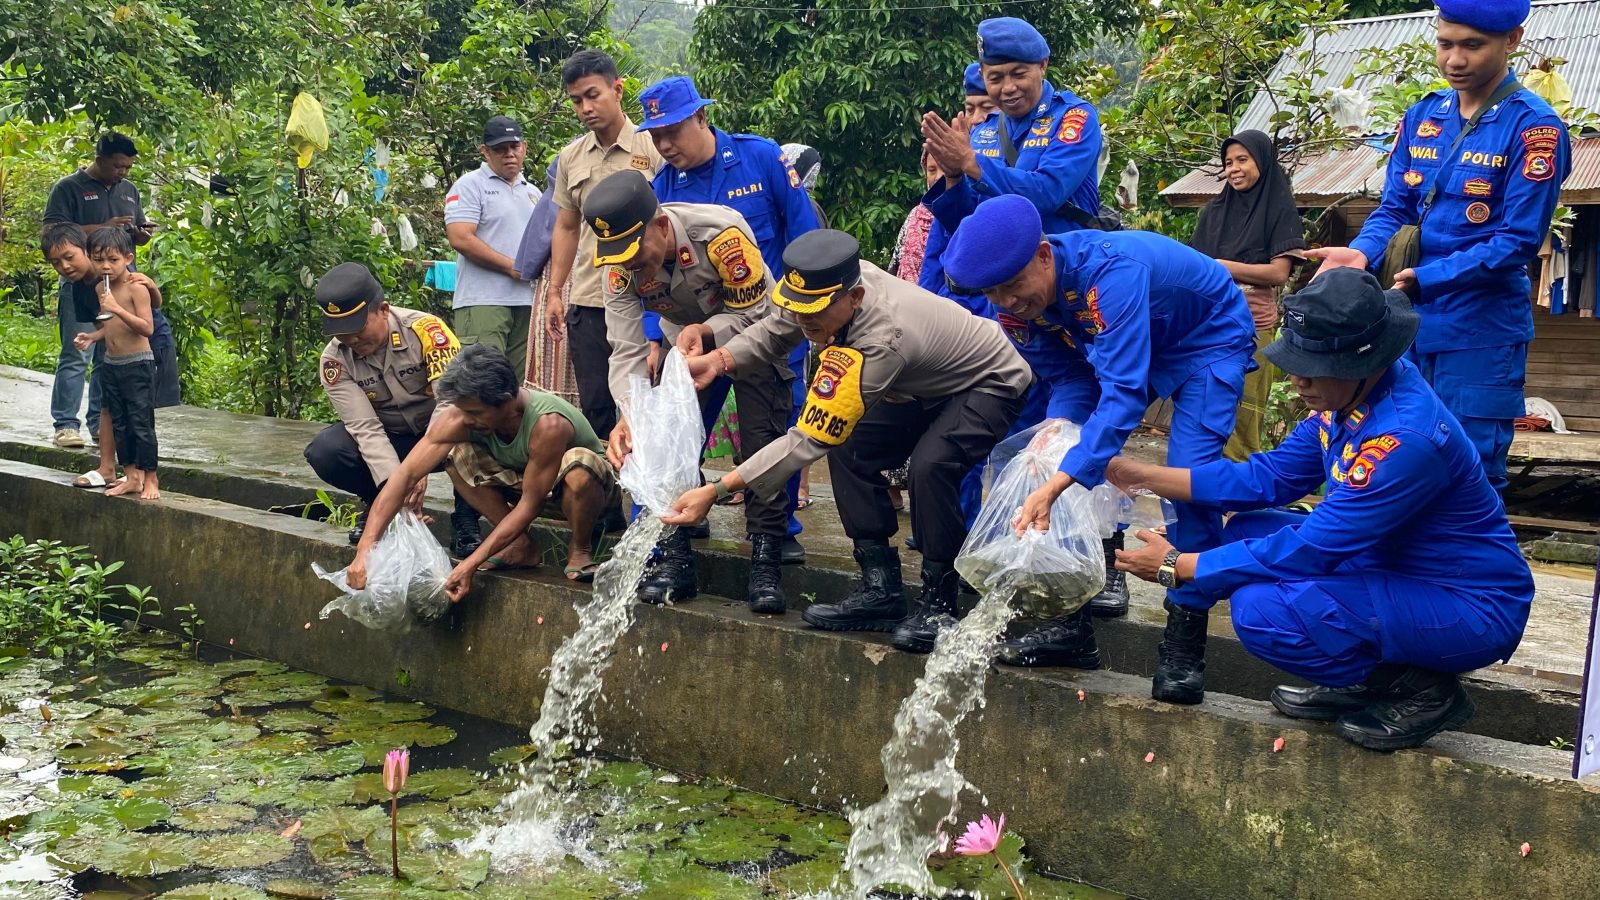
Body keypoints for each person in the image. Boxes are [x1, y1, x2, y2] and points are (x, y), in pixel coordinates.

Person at [1107, 269, 1533, 750]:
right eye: (1295, 363)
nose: (1297, 380)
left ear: (1358, 362)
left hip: (1465, 603)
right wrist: (1139, 474)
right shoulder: (1354, 394)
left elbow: (1312, 547)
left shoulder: (1404, 439)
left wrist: (1173, 566)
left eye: (1311, 368)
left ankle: (1419, 691)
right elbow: (1266, 478)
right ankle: (1360, 682)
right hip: (1392, 564)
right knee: (1244, 530)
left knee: (1261, 611)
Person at [943, 194, 1255, 704]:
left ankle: (1183, 647)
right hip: (1122, 350)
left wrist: (1066, 475)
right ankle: (1072, 629)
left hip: (1205, 339)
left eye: (1014, 285)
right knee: (1059, 451)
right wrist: (1061, 432)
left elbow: (1124, 390)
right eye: (993, 292)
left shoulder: (1109, 276)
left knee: (1187, 478)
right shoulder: (1017, 310)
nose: (1006, 301)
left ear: (1044, 255)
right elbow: (1069, 376)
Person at [663, 229, 1033, 654]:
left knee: (932, 465)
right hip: (924, 384)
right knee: (851, 446)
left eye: (814, 314)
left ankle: (939, 602)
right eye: (799, 309)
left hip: (991, 382)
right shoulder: (825, 291)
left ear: (854, 298)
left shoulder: (883, 339)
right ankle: (882, 590)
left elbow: (810, 436)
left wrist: (717, 489)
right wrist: (720, 359)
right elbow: (777, 328)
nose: (804, 322)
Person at [1306, 0, 1568, 491]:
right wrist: (1361, 252)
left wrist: (1430, 278)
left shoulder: (1534, 128)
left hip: (1479, 333)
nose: (1455, 60)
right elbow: (1395, 208)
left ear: (1511, 40)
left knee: (1465, 473)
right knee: (1391, 461)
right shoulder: (1424, 114)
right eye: (1445, 44)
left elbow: (1517, 239)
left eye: (1473, 46)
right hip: (1403, 328)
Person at [583, 169, 800, 613]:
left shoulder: (721, 235)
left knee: (764, 444)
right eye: (620, 257)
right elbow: (624, 349)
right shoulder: (618, 267)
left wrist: (707, 330)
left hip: (754, 337)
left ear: (661, 226)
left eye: (636, 253)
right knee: (665, 441)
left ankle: (765, 561)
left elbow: (759, 313)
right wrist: (631, 415)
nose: (629, 266)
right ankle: (677, 559)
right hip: (683, 348)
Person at [639, 75, 819, 563]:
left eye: (673, 130)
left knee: (772, 427)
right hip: (695, 332)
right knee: (684, 424)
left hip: (770, 321)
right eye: (655, 136)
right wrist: (656, 337)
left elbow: (803, 233)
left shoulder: (761, 158)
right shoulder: (661, 188)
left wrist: (808, 312)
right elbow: (652, 276)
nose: (665, 144)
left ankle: (778, 531)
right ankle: (678, 523)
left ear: (702, 116)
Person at [346, 343, 615, 599]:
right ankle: (521, 545)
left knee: (580, 467)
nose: (467, 419)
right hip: (524, 484)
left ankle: (580, 549)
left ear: (507, 402)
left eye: (475, 412)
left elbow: (529, 506)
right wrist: (365, 550)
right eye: (463, 410)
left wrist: (471, 564)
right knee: (454, 455)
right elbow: (404, 477)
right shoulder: (459, 417)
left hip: (585, 496)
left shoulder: (548, 425)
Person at [301, 263, 482, 555]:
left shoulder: (428, 332)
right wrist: (396, 490)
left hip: (445, 434)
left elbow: (450, 406)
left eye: (358, 330)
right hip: (393, 439)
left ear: (383, 310)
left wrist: (418, 467)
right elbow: (365, 428)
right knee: (327, 450)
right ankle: (377, 502)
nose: (352, 341)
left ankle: (467, 516)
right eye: (342, 334)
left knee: (480, 426)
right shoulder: (334, 360)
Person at [542, 50, 665, 440]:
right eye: (576, 100)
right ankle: (605, 498)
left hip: (647, 297)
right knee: (596, 405)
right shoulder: (570, 158)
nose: (585, 108)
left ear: (617, 89)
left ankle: (658, 498)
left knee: (651, 403)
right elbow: (566, 226)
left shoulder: (654, 147)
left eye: (593, 95)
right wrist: (556, 292)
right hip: (591, 300)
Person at [43, 131, 178, 453]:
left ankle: (97, 425)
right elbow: (52, 234)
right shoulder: (68, 188)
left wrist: (139, 233)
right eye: (118, 166)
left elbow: (134, 235)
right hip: (81, 282)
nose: (123, 173)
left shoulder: (129, 190)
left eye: (128, 167)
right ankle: (65, 425)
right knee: (77, 352)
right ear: (100, 159)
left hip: (119, 282)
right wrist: (104, 224)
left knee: (109, 356)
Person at [920, 19, 1104, 237]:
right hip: (1000, 268)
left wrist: (971, 162)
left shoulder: (1073, 117)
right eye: (995, 78)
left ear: (1042, 65)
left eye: (1018, 74)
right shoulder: (982, 133)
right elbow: (965, 224)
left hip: (1064, 264)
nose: (1008, 88)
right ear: (982, 75)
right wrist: (953, 178)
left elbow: (1047, 193)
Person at [1191, 130, 1306, 460]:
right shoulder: (1213, 212)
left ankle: (1237, 501)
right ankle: (1202, 492)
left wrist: (1222, 266)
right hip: (1207, 328)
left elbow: (1278, 273)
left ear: (1262, 161)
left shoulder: (1278, 209)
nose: (1234, 169)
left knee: (1243, 419)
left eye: (1243, 159)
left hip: (1252, 329)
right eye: (1228, 162)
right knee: (1202, 413)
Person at [444, 115, 539, 381]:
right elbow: (460, 238)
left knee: (520, 387)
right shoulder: (470, 185)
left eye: (514, 146)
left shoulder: (533, 192)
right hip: (483, 301)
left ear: (524, 148)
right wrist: (512, 268)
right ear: (485, 152)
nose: (509, 154)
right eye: (499, 149)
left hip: (526, 300)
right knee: (482, 385)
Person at [73, 229, 158, 500]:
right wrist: (93, 337)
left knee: (141, 424)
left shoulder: (137, 287)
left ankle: (151, 479)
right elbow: (113, 326)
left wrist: (118, 307)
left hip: (137, 365)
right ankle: (132, 477)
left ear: (128, 258)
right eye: (98, 260)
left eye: (113, 260)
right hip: (112, 364)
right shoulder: (100, 287)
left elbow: (146, 328)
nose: (106, 266)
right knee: (120, 424)